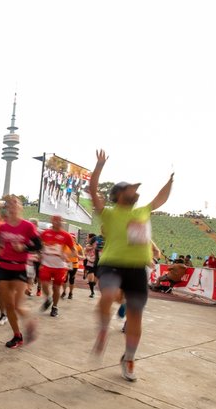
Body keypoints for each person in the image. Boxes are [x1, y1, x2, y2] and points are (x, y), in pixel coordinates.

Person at [89, 149, 174, 381]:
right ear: (118, 194)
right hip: (112, 264)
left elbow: (161, 199)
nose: (136, 191)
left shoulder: (143, 211)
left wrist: (170, 181)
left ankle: (129, 358)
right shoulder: (107, 213)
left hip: (137, 269)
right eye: (131, 188)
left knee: (135, 316)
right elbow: (92, 190)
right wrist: (99, 166)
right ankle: (104, 330)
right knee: (108, 294)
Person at [0, 196, 41, 348]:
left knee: (18, 305)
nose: (11, 205)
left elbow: (38, 245)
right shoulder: (2, 226)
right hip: (3, 267)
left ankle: (31, 323)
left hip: (19, 267)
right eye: (9, 204)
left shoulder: (27, 226)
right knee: (9, 306)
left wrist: (24, 248)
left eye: (15, 203)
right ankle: (17, 336)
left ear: (21, 207)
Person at [38, 215, 77, 317]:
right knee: (44, 283)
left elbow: (74, 251)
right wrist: (39, 254)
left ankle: (54, 307)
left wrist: (66, 255)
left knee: (56, 288)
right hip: (46, 264)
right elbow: (39, 245)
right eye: (56, 220)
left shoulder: (66, 235)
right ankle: (48, 298)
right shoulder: (45, 233)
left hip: (59, 266)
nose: (58, 222)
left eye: (60, 221)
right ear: (52, 221)